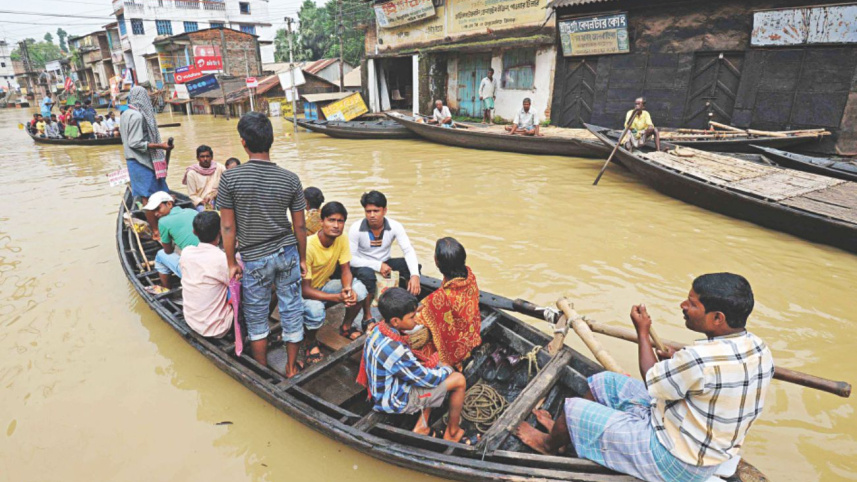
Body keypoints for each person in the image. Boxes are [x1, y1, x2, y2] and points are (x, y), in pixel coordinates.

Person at [514, 273, 775, 482]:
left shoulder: (699, 359)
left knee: (574, 410)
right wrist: (679, 359)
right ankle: (567, 435)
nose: (684, 306)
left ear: (718, 318)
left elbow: (652, 379)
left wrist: (643, 331)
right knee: (604, 381)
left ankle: (548, 443)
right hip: (698, 442)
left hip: (676, 461)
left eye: (693, 304)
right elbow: (713, 377)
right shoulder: (759, 348)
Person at [217, 112, 307, 372]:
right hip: (287, 252)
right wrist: (302, 258)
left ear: (243, 142)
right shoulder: (290, 179)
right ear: (271, 140)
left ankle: (262, 369)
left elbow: (227, 226)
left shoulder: (230, 178)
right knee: (291, 309)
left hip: (255, 257)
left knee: (256, 317)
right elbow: (300, 226)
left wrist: (231, 263)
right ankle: (291, 367)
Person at [356, 288, 473, 444]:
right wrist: (447, 369)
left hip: (384, 388)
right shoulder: (396, 350)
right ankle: (453, 432)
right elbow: (428, 380)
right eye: (412, 317)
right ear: (395, 321)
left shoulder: (378, 329)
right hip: (394, 400)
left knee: (434, 367)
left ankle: (421, 425)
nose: (416, 319)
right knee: (458, 380)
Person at [302, 202, 368, 357]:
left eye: (340, 221)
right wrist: (337, 297)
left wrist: (347, 289)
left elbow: (346, 270)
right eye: (331, 220)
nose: (336, 225)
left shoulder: (342, 238)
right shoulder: (308, 246)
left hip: (323, 285)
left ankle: (346, 327)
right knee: (316, 309)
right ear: (322, 222)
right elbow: (305, 290)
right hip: (301, 294)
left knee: (359, 290)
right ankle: (310, 341)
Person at [349, 190, 420, 330]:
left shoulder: (395, 226)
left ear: (385, 210)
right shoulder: (356, 228)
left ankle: (408, 308)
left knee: (410, 266)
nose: (372, 215)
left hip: (385, 262)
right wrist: (377, 265)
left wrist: (415, 275)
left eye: (376, 211)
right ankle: (367, 316)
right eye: (368, 211)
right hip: (364, 264)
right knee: (367, 275)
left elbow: (408, 250)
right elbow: (351, 259)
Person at [408, 237, 480, 368]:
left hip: (454, 349)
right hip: (471, 337)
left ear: (436, 262)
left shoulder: (438, 299)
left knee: (415, 346)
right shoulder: (470, 277)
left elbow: (416, 321)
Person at [120, 85, 174, 240]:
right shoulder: (137, 116)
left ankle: (161, 226)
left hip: (134, 161)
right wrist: (161, 146)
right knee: (148, 198)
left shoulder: (125, 113)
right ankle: (156, 231)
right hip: (141, 161)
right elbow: (135, 143)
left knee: (156, 193)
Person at [179, 211, 233, 338]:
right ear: (220, 232)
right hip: (217, 328)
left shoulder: (186, 252)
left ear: (194, 232)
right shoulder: (222, 259)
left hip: (191, 320)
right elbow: (236, 283)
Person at [142, 191, 200, 290]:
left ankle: (167, 289)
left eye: (158, 209)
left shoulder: (163, 222)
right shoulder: (192, 211)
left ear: (169, 204)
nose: (156, 213)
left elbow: (168, 251)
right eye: (153, 211)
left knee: (160, 255)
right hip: (208, 261)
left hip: (194, 272)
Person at [183, 144, 225, 212]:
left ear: (211, 157)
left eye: (207, 156)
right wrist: (204, 202)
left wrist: (215, 194)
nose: (205, 159)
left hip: (219, 199)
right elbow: (192, 196)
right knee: (205, 213)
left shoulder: (220, 167)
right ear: (197, 158)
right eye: (202, 157)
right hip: (202, 203)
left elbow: (227, 185)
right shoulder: (192, 173)